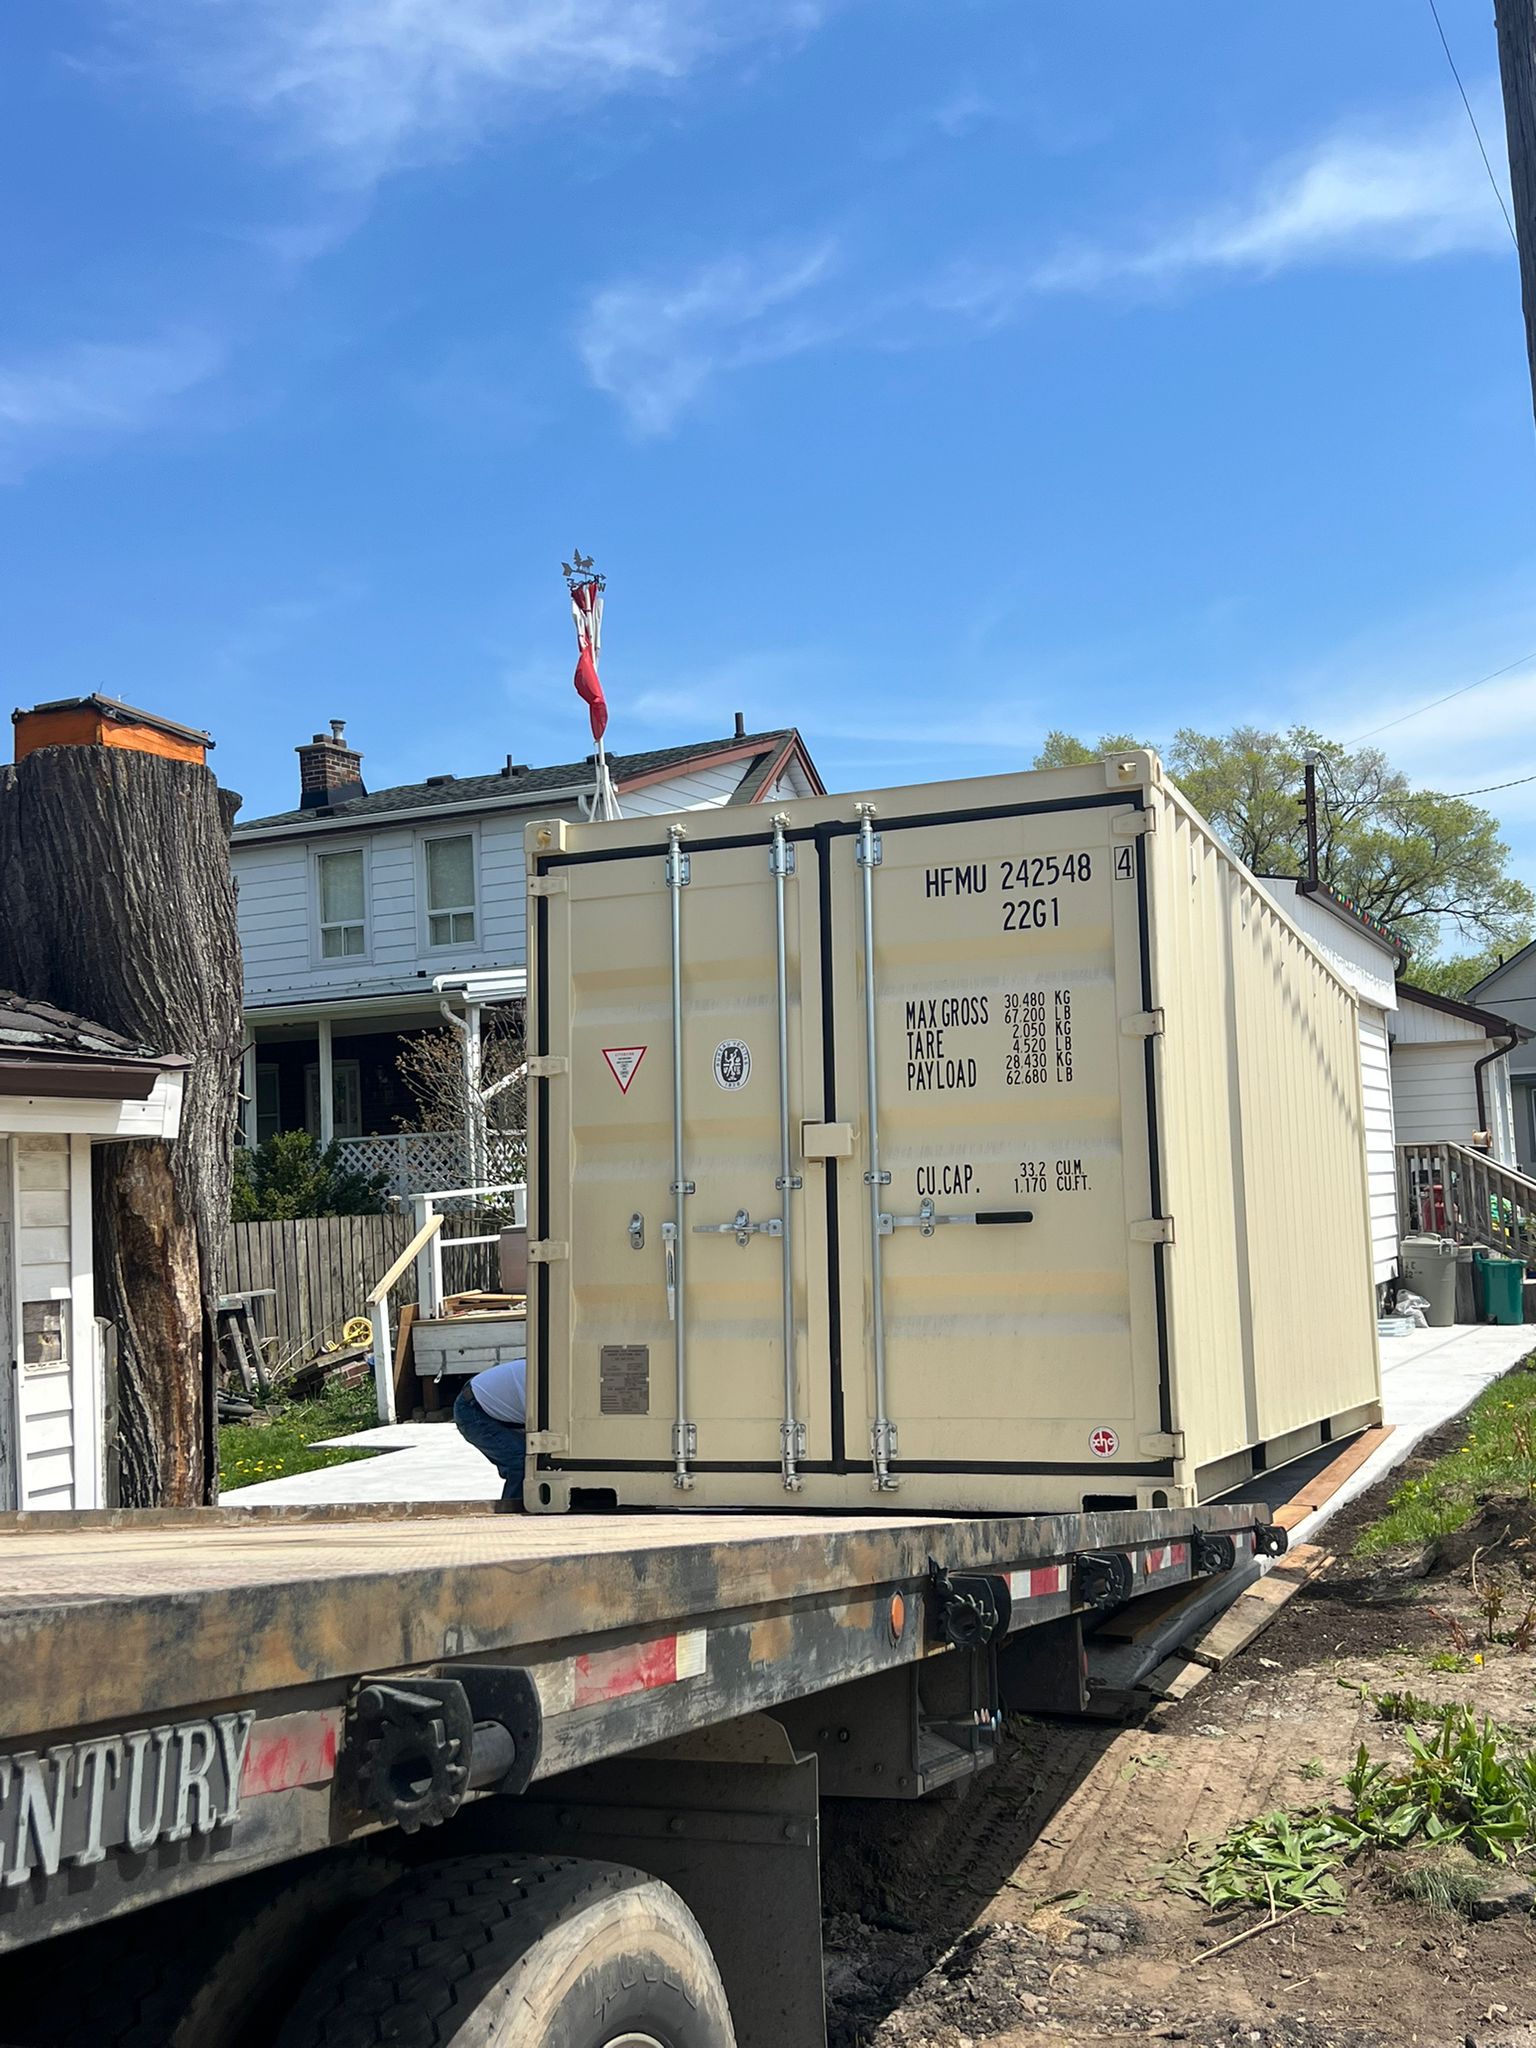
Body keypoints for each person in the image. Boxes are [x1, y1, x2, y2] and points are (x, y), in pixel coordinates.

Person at [453, 1356, 527, 1508]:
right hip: (473, 1410)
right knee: (521, 1461)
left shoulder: (553, 1370)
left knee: (531, 1460)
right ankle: (510, 1515)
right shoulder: (547, 1381)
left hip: (482, 1400)